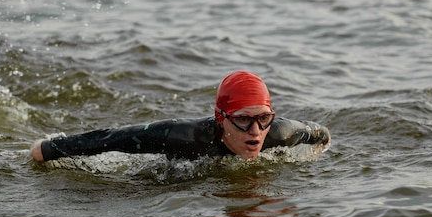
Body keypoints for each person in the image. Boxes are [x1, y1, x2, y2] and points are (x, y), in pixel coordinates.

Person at [30, 71, 331, 162]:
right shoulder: (182, 136)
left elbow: (320, 134)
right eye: (243, 119)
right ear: (221, 118)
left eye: (263, 118)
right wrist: (47, 150)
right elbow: (112, 138)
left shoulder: (279, 133)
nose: (255, 131)